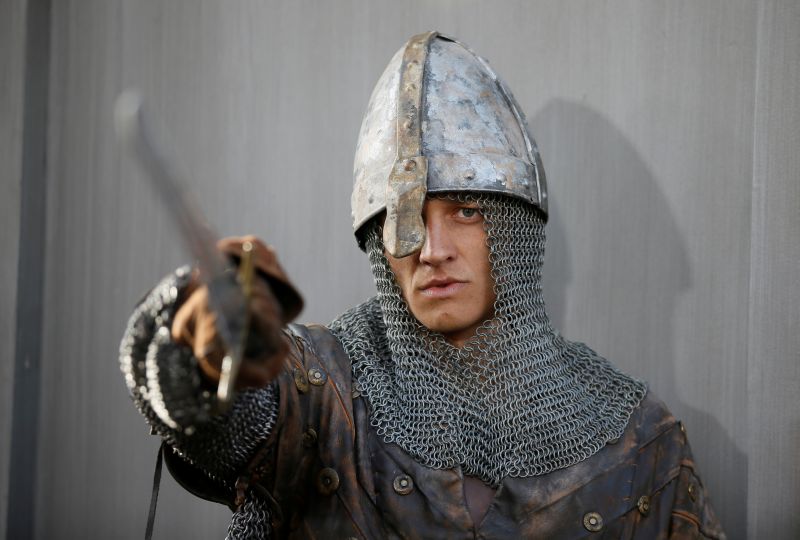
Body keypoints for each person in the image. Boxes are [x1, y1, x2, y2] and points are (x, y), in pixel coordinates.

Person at [120, 32, 725, 539]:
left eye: (465, 211)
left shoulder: (639, 441)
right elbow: (230, 418)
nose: (431, 251)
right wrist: (197, 357)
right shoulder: (321, 390)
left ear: (516, 231)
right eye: (405, 219)